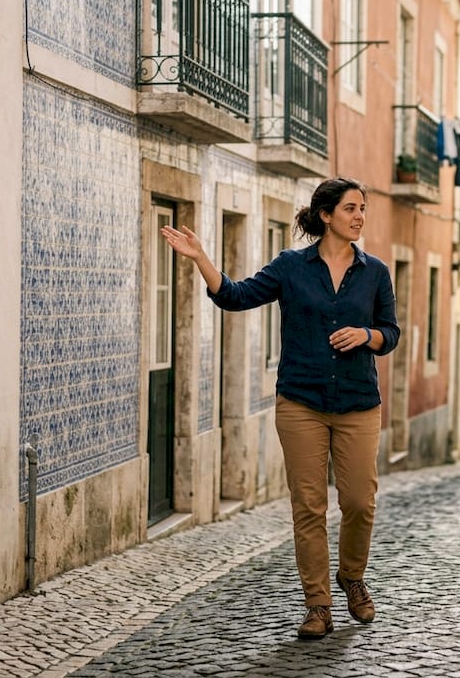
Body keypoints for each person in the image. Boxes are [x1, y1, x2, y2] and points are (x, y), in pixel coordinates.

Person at [160, 177, 400, 641]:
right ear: (326, 215)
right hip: (301, 403)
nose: (359, 216)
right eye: (351, 208)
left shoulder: (375, 273)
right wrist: (201, 259)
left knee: (358, 502)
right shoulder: (292, 267)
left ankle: (352, 577)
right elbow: (236, 296)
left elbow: (390, 332)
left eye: (362, 209)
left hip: (356, 404)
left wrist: (366, 336)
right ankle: (318, 605)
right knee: (308, 507)